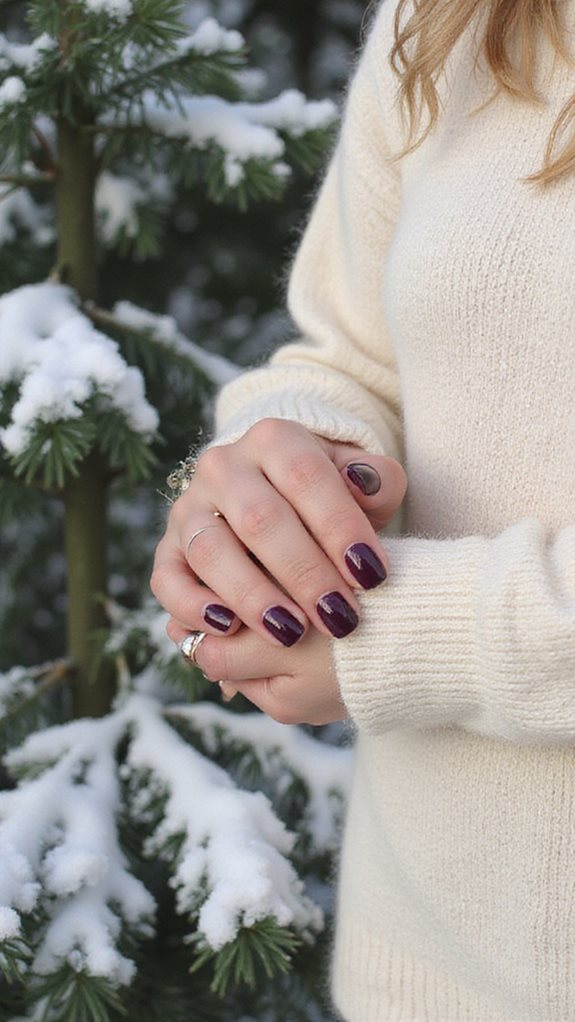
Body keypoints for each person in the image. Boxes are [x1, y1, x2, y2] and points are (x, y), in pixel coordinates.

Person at [151, 0, 575, 1014]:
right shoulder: (452, 16)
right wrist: (286, 481)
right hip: (426, 963)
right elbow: (353, 350)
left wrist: (398, 634)